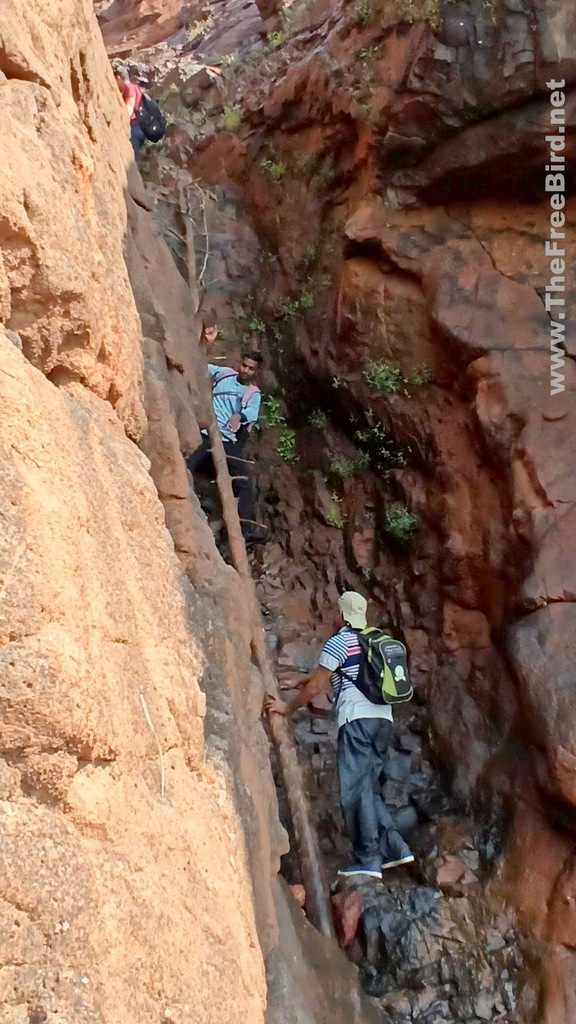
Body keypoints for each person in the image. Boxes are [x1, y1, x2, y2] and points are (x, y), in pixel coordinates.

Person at [266, 591, 415, 879]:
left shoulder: (340, 641)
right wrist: (302, 677)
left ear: (342, 614)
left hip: (356, 721)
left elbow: (317, 687)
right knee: (369, 787)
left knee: (355, 790)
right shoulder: (373, 640)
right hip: (383, 720)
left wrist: (288, 707)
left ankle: (369, 860)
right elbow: (342, 671)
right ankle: (397, 848)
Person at [187, 343, 265, 546]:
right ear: (240, 363)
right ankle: (191, 504)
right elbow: (199, 366)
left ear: (256, 372)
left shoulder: (252, 394)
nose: (245, 370)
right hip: (208, 434)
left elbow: (250, 414)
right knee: (189, 465)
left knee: (245, 482)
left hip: (229, 442)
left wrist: (239, 416)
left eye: (250, 368)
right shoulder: (224, 374)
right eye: (244, 365)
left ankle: (245, 529)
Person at [114, 66, 145, 156]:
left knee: (131, 154)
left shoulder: (129, 88)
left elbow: (130, 105)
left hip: (135, 127)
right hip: (140, 127)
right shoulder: (135, 87)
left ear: (118, 78)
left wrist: (122, 124)